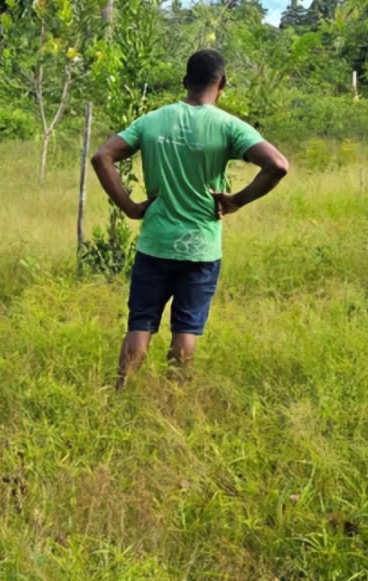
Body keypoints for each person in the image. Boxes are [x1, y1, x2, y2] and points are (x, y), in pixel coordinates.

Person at [90, 50, 289, 389]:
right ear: (222, 84)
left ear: (185, 82)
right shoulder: (228, 126)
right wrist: (236, 201)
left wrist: (129, 206)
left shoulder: (152, 121)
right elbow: (278, 165)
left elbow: (102, 156)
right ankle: (173, 403)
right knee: (185, 332)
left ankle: (120, 392)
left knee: (140, 325)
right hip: (201, 249)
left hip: (155, 243)